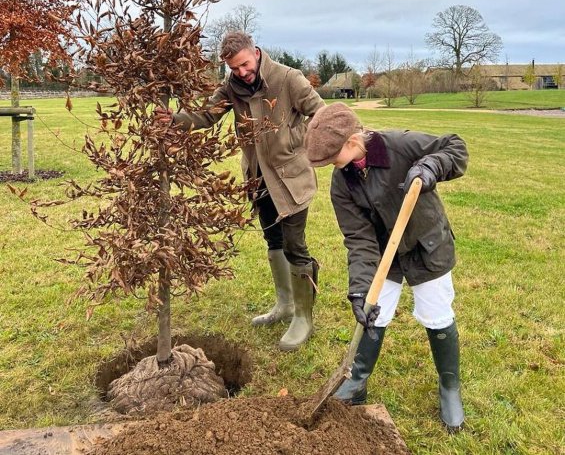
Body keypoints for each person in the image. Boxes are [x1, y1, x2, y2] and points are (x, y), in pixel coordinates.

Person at [156, 31, 324, 351]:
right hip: (258, 178)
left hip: (291, 178)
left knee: (294, 246)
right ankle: (285, 305)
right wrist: (174, 119)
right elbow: (206, 115)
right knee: (272, 240)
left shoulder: (288, 79)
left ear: (256, 53)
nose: (242, 73)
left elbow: (321, 113)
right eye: (234, 69)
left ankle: (303, 316)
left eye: (245, 65)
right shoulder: (231, 88)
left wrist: (298, 142)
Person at [304, 102, 468, 430]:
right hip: (385, 256)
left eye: (331, 157)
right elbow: (359, 239)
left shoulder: (399, 145)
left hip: (427, 244)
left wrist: (431, 167)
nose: (330, 166)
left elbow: (456, 147)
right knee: (374, 309)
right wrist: (360, 289)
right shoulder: (343, 183)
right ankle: (357, 380)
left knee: (436, 313)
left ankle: (450, 387)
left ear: (352, 142)